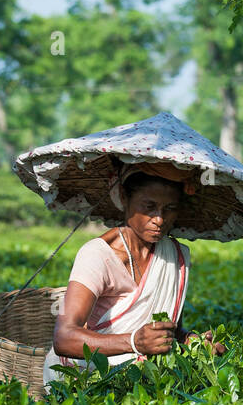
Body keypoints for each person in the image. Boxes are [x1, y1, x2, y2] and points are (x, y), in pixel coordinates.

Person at [43, 166, 227, 390]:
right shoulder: (98, 255)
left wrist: (194, 342)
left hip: (143, 376)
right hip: (84, 376)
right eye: (149, 207)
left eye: (169, 208)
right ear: (123, 197)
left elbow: (172, 330)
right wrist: (133, 342)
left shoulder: (174, 256)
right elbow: (64, 337)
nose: (159, 219)